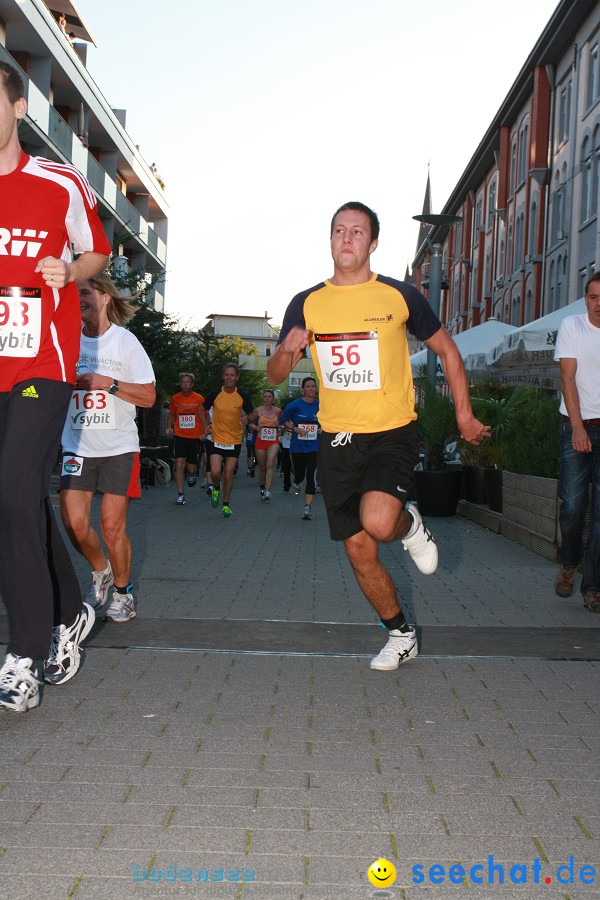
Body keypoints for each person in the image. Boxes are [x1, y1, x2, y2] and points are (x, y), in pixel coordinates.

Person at [267, 201, 489, 671]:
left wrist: (464, 415)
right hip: (337, 439)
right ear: (330, 240)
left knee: (380, 522)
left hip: (392, 432)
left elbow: (448, 352)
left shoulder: (400, 296)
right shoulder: (306, 303)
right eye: (339, 231)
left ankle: (409, 524)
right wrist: (286, 352)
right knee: (358, 546)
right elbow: (273, 375)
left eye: (357, 232)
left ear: (372, 243)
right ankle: (401, 633)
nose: (347, 239)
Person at [0, 62, 111, 711]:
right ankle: (68, 612)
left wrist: (68, 269)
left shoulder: (57, 182)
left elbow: (96, 251)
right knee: (12, 501)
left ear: (18, 108)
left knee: (15, 491)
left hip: (42, 366)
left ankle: (24, 653)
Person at [60, 273, 155, 624]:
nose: (79, 299)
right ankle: (101, 571)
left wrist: (107, 383)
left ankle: (123, 593)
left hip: (118, 447)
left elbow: (148, 396)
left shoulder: (125, 342)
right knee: (73, 522)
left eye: (85, 292)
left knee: (112, 526)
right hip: (77, 446)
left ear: (104, 297)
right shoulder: (65, 340)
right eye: (75, 294)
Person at [554, 273, 600, 612]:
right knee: (572, 505)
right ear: (585, 298)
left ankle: (592, 586)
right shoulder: (573, 326)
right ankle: (569, 562)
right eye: (593, 297)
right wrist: (578, 427)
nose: (599, 303)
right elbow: (567, 378)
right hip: (575, 425)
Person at [201, 364, 255, 517]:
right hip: (216, 438)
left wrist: (247, 418)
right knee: (216, 472)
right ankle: (216, 488)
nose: (229, 377)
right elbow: (201, 409)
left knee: (228, 473)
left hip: (234, 440)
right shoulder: (216, 393)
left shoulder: (242, 395)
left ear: (237, 377)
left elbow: (252, 414)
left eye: (232, 375)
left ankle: (225, 504)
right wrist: (206, 426)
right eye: (227, 375)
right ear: (223, 376)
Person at [281, 377, 320, 519]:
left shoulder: (321, 406)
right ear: (303, 389)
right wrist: (296, 429)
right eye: (308, 386)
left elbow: (329, 420)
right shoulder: (294, 405)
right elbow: (283, 420)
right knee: (299, 475)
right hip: (297, 446)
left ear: (316, 388)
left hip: (314, 446)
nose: (311, 389)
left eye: (313, 386)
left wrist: (322, 429)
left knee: (311, 476)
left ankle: (307, 507)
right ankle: (297, 482)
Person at [167, 373, 206, 505]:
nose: (185, 384)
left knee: (191, 467)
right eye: (183, 382)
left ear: (192, 384)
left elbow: (204, 416)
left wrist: (205, 431)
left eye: (188, 382)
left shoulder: (199, 399)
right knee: (179, 463)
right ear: (180, 383)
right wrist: (168, 427)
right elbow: (172, 414)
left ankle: (192, 474)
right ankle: (180, 494)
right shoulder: (175, 398)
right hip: (180, 435)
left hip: (194, 436)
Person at [250, 388, 281, 501]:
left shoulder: (278, 410)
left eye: (269, 397)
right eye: (265, 397)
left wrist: (279, 428)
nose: (267, 399)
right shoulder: (258, 410)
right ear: (263, 398)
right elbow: (250, 422)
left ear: (273, 398)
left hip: (273, 440)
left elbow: (281, 422)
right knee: (262, 467)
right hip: (261, 440)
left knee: (270, 464)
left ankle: (268, 491)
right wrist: (255, 427)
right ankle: (262, 488)